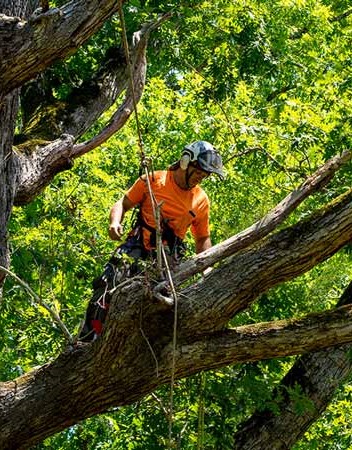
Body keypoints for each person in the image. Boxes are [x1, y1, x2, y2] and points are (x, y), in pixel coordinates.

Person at [79, 140, 224, 341]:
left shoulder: (200, 200)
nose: (201, 178)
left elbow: (202, 238)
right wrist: (114, 222)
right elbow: (123, 202)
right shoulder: (154, 180)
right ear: (185, 162)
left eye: (205, 175)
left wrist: (207, 266)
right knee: (107, 286)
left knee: (159, 307)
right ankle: (87, 339)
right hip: (137, 246)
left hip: (167, 259)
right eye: (199, 172)